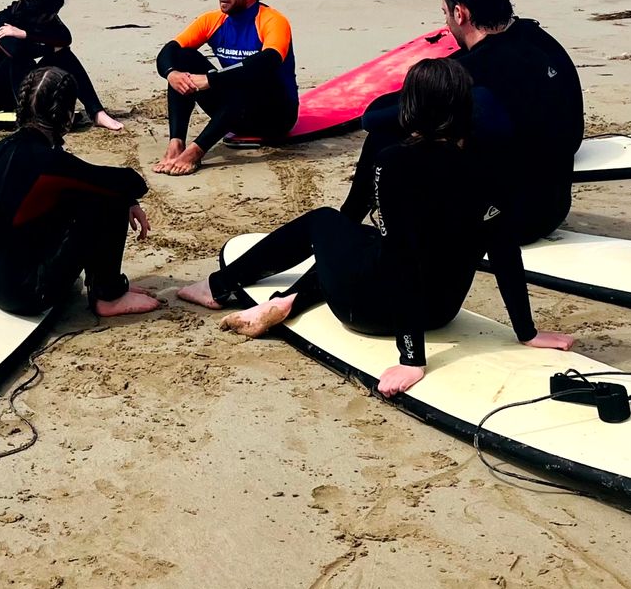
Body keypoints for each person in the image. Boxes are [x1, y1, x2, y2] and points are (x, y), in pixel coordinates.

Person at [179, 57, 569, 397]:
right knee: (366, 237)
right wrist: (527, 332)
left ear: (411, 107)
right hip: (442, 310)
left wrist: (411, 360)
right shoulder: (491, 165)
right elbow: (503, 252)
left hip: (368, 311)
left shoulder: (395, 162)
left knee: (324, 221)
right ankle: (289, 300)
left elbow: (404, 260)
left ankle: (220, 287)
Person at [343, 0, 581, 244]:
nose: (445, 22)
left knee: (385, 138)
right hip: (553, 206)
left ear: (460, 13)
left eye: (445, 13)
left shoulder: (473, 70)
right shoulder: (543, 42)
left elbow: (372, 116)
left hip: (508, 222)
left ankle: (348, 221)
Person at [0, 65, 157, 318]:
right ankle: (109, 295)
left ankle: (104, 286)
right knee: (107, 199)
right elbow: (131, 181)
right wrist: (127, 199)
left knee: (89, 190)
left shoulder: (4, 147)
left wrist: (126, 194)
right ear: (66, 115)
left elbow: (82, 178)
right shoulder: (47, 162)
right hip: (24, 295)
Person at [153, 0, 298, 176]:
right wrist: (171, 73)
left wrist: (211, 80)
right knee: (183, 58)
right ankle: (176, 143)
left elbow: (269, 61)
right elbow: (169, 51)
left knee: (254, 75)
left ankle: (195, 151)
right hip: (233, 115)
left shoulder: (273, 20)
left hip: (275, 116)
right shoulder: (213, 20)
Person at [0, 0, 122, 131]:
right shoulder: (0, 21)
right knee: (17, 60)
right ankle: (28, 117)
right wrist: (49, 48)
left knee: (64, 54)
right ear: (41, 12)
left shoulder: (44, 19)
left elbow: (65, 38)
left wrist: (26, 34)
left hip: (32, 85)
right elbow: (17, 51)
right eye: (54, 13)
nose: (55, 16)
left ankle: (97, 113)